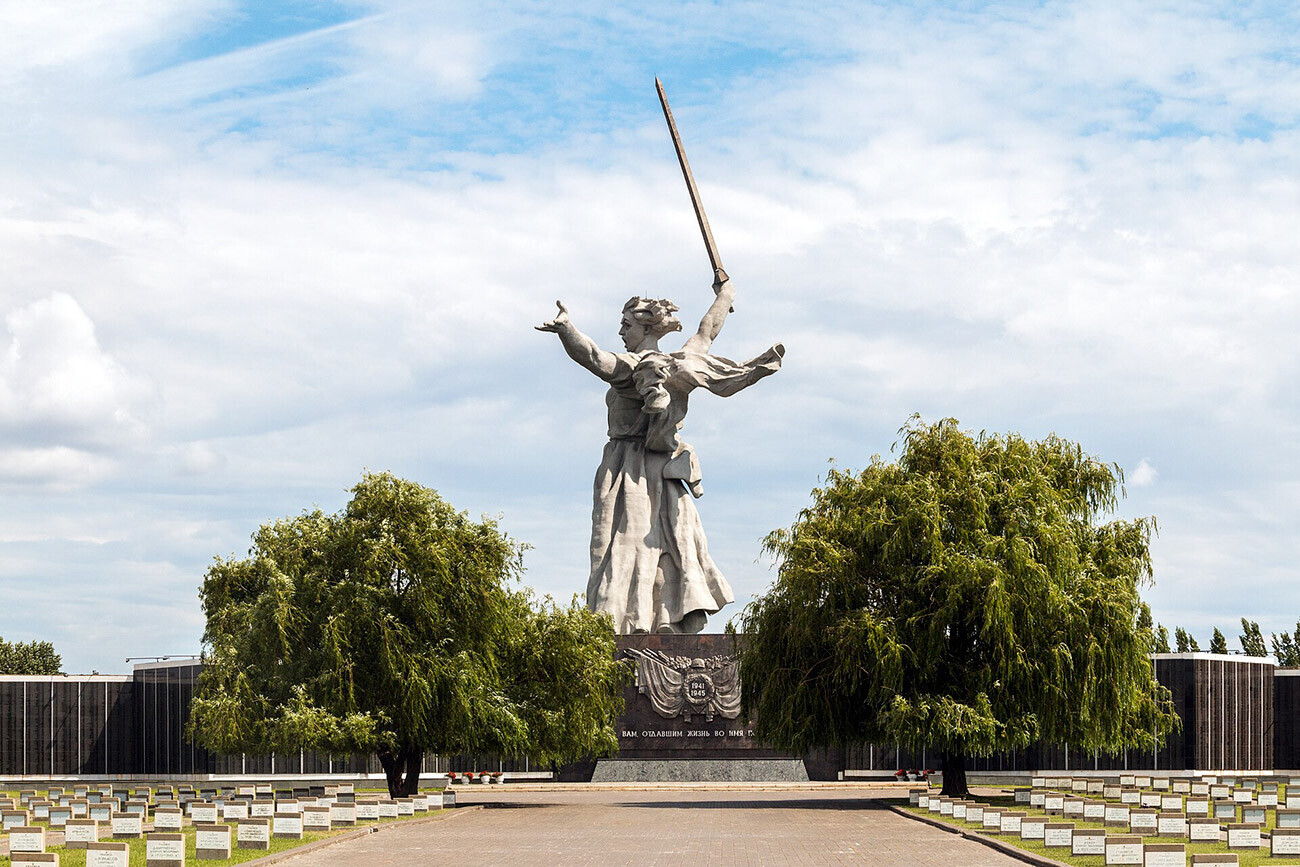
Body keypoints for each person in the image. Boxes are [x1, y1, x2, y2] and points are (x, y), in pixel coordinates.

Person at [537, 271, 784, 633]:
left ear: (646, 328)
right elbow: (707, 331)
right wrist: (726, 295)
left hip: (629, 469)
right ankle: (656, 622)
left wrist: (566, 329)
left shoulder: (633, 367)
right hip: (664, 472)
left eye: (626, 325)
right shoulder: (682, 361)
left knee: (628, 549)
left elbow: (592, 356)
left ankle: (636, 626)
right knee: (657, 546)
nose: (621, 332)